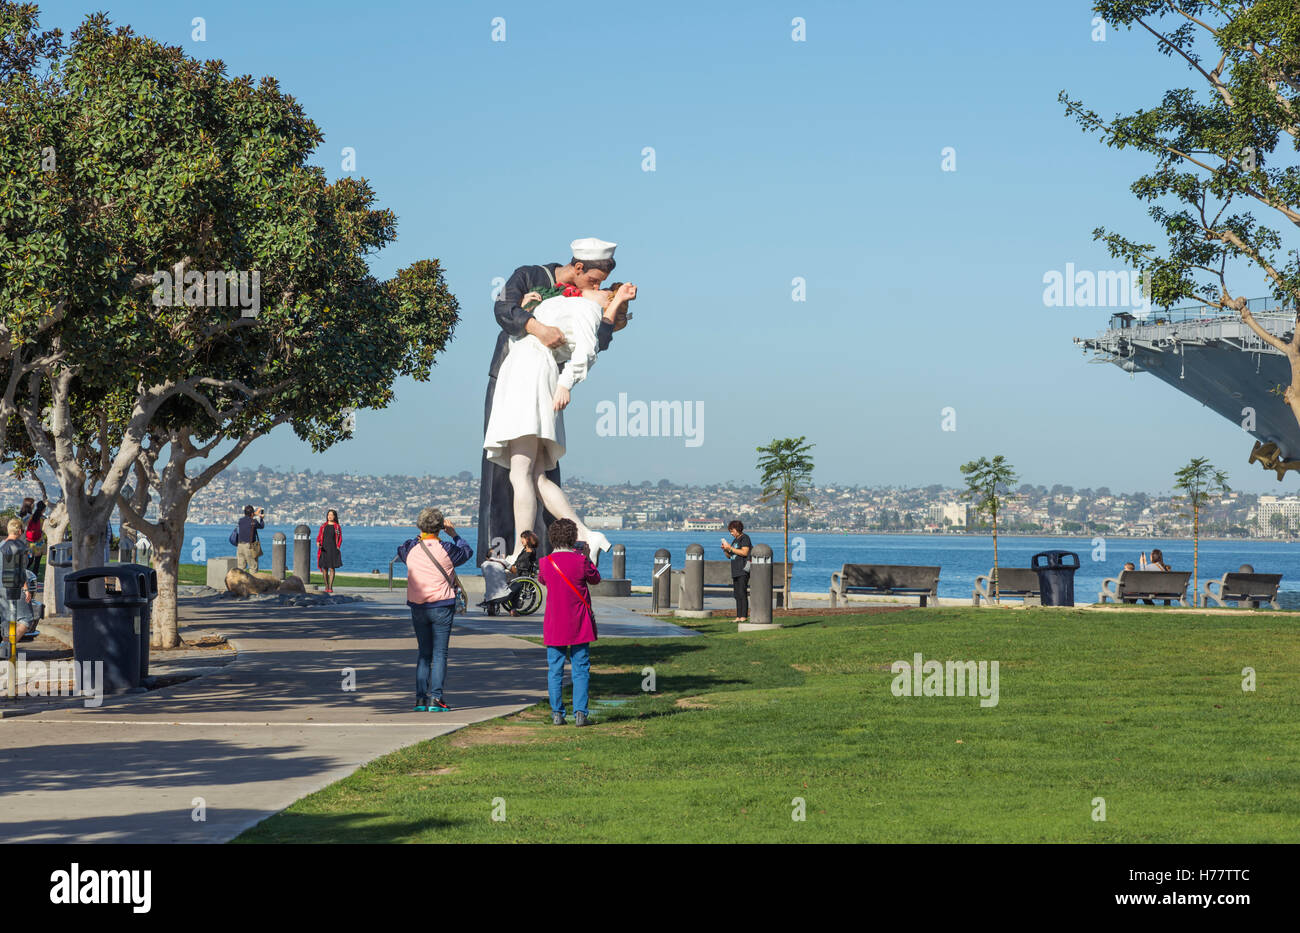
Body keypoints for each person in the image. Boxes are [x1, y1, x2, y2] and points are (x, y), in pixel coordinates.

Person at [477, 238, 627, 566]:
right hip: (511, 376)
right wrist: (537, 326)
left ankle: (537, 549)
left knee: (527, 472)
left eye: (601, 285)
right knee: (516, 475)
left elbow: (592, 345)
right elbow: (503, 308)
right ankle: (517, 548)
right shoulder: (529, 275)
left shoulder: (586, 304)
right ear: (577, 268)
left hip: (535, 379)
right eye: (593, 280)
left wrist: (611, 308)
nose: (596, 286)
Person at [395, 508, 472, 712]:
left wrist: (422, 533)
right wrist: (453, 534)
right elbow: (467, 552)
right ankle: (436, 698)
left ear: (420, 527)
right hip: (442, 605)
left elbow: (401, 548)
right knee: (440, 653)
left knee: (424, 654)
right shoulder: (447, 548)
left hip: (418, 606)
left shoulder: (410, 548)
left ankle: (420, 698)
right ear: (440, 527)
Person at [538, 518, 600, 726]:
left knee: (555, 669)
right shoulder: (581, 561)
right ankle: (581, 712)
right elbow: (595, 578)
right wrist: (587, 556)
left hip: (555, 622)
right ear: (573, 538)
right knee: (581, 668)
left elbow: (543, 580)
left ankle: (557, 712)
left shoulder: (546, 563)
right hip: (579, 621)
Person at [0, 518, 33, 659]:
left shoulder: (1, 545)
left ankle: (5, 647)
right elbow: (19, 570)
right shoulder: (19, 546)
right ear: (19, 531)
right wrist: (26, 589)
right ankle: (5, 649)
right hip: (14, 587)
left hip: (1, 588)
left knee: (7, 619)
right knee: (26, 618)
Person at [720, 520, 753, 623]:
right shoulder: (735, 541)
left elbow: (744, 552)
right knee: (737, 594)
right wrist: (726, 549)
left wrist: (731, 548)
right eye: (730, 531)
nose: (731, 533)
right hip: (735, 570)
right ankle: (738, 616)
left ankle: (744, 616)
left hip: (743, 570)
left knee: (742, 593)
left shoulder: (745, 538)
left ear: (738, 529)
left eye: (732, 530)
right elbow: (729, 556)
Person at [316, 509, 343, 593]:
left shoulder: (337, 527)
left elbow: (340, 538)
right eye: (328, 515)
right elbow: (319, 536)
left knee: (332, 568)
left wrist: (338, 546)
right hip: (324, 549)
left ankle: (330, 587)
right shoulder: (323, 526)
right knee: (324, 568)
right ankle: (326, 586)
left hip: (333, 549)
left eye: (331, 515)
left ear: (334, 516)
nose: (330, 516)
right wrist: (318, 543)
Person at [235, 505, 265, 573]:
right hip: (249, 546)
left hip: (240, 546)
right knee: (253, 567)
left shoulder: (240, 521)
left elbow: (248, 517)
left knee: (241, 568)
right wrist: (261, 518)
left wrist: (254, 513)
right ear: (252, 514)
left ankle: (241, 583)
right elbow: (261, 526)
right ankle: (252, 583)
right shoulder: (253, 522)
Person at [23, 500, 46, 577]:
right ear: (44, 509)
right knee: (37, 562)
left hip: (30, 543)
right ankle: (34, 577)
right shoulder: (43, 519)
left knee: (30, 560)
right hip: (39, 543)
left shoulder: (30, 517)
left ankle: (23, 573)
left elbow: (24, 524)